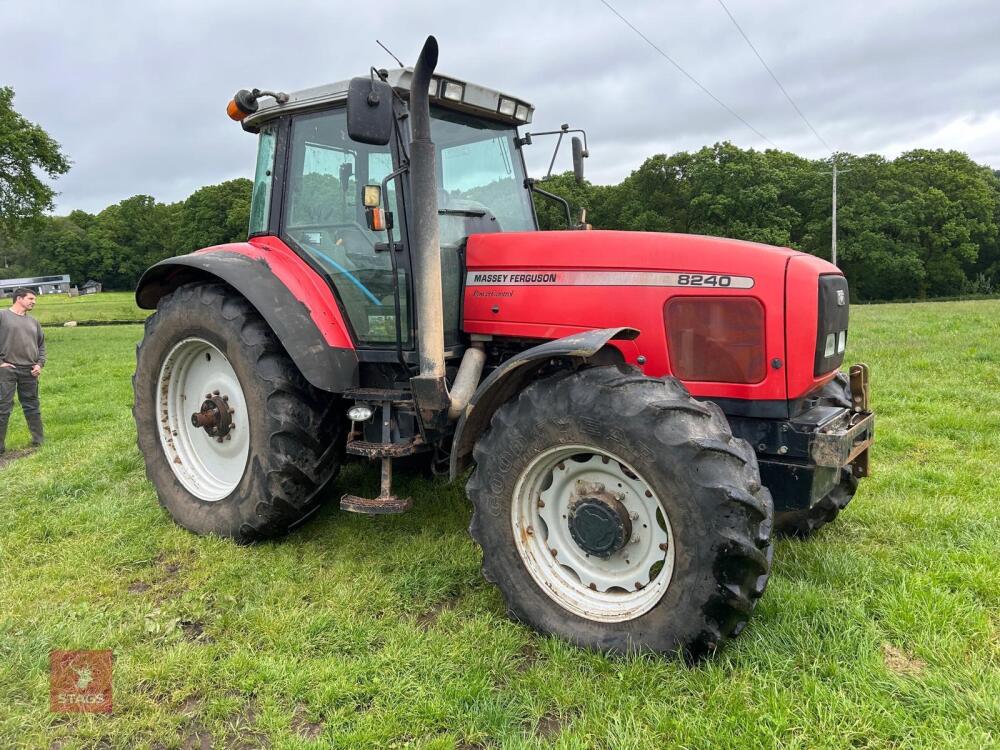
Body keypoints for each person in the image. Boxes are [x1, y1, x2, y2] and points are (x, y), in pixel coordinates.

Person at [0, 288, 46, 454]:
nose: (34, 302)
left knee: (32, 406)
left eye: (34, 299)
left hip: (30, 371)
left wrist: (39, 364)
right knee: (3, 407)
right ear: (19, 298)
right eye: (31, 298)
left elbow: (41, 345)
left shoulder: (34, 322)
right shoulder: (3, 316)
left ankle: (39, 442)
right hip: (7, 370)